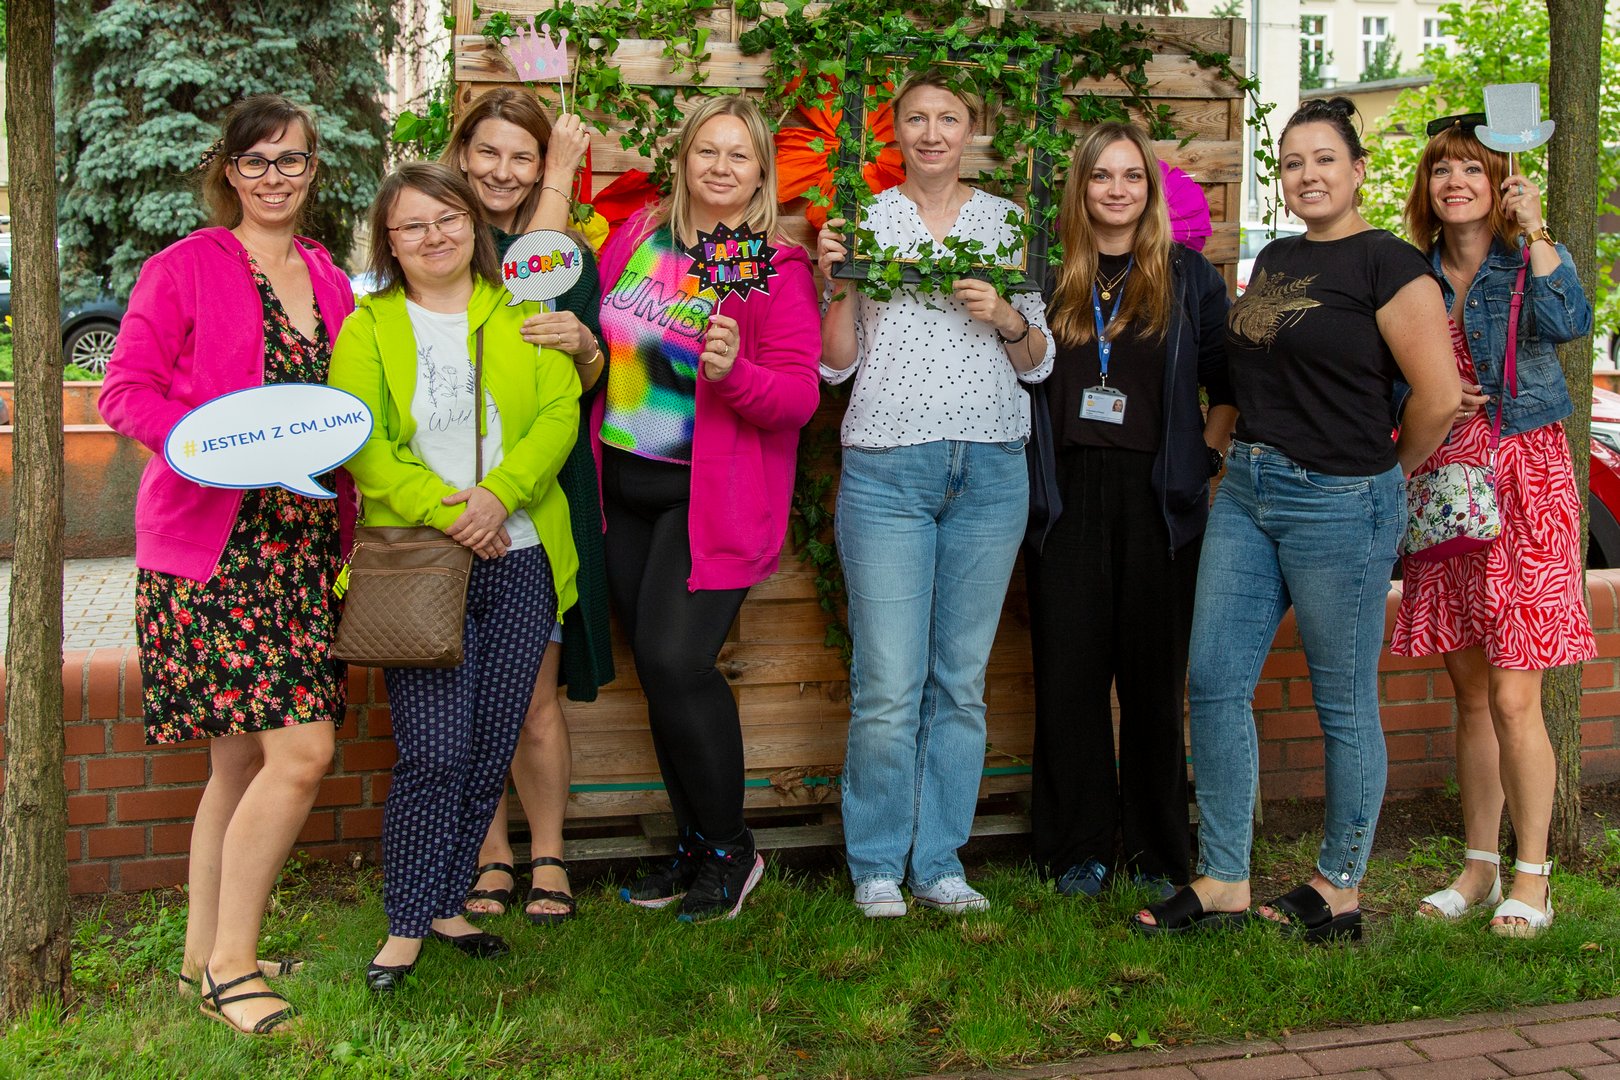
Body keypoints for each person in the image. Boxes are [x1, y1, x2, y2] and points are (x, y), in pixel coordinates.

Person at [1132, 97, 1459, 939]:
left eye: (1324, 159)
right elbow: (1252, 374)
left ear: (1359, 171)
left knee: (1341, 704)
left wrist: (1384, 475)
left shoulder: (1390, 265)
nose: (1307, 176)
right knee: (1214, 680)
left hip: (1340, 502)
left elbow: (1438, 396)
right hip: (1249, 491)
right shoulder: (1277, 257)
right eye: (1291, 163)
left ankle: (1339, 887)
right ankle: (1224, 880)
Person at [99, 94, 355, 1035]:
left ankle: (197, 957)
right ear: (229, 170)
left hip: (302, 551)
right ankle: (232, 971)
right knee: (304, 751)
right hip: (211, 552)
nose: (275, 177)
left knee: (242, 763)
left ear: (313, 168)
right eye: (256, 161)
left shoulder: (330, 277)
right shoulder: (183, 268)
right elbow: (124, 392)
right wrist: (212, 446)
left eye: (292, 160)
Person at [328, 162, 580, 990]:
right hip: (420, 566)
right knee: (434, 752)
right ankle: (406, 923)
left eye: (447, 219)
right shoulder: (368, 328)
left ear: (473, 225)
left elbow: (559, 413)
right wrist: (452, 513)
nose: (433, 237)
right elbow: (362, 443)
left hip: (522, 557)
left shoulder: (522, 309)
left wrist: (500, 495)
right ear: (389, 242)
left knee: (489, 746)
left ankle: (444, 905)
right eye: (413, 225)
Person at [817, 70, 1055, 917]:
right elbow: (836, 365)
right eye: (915, 118)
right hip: (888, 468)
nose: (930, 132)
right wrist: (839, 282)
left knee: (960, 681)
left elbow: (1039, 363)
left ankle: (941, 862)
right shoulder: (864, 223)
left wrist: (1006, 316)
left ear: (969, 130)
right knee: (888, 683)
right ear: (894, 130)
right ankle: (878, 864)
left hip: (990, 469)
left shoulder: (1007, 223)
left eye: (947, 118)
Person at [596, 97, 821, 922]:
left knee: (676, 662)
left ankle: (733, 849)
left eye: (739, 155)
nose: (721, 167)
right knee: (657, 674)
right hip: (623, 484)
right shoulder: (638, 238)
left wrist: (733, 373)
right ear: (684, 159)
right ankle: (693, 844)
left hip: (705, 496)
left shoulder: (770, 266)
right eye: (707, 151)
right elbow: (599, 339)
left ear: (761, 173)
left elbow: (797, 398)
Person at [1391, 113, 1595, 937]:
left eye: (1472, 168)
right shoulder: (1411, 274)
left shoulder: (1526, 260)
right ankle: (1479, 870)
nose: (1455, 182)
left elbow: (1571, 321)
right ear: (1427, 188)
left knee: (1515, 695)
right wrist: (1430, 399)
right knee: (1471, 693)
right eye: (1442, 170)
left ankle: (1533, 877)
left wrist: (1536, 228)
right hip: (1447, 481)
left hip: (1526, 481)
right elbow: (1383, 376)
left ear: (1497, 181)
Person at [1026, 122, 1235, 900]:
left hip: (1160, 497)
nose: (1116, 191)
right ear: (1080, 187)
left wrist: (1204, 460)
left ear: (1150, 190)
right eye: (1101, 176)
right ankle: (1077, 848)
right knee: (1069, 677)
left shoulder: (1189, 276)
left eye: (1131, 177)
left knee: (1153, 681)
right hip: (1064, 496)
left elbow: (1227, 386)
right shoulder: (1047, 275)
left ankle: (1156, 849)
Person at [442, 87, 612, 928]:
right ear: (461, 153)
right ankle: (489, 854)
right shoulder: (438, 237)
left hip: (538, 494)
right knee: (466, 691)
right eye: (489, 152)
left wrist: (586, 348)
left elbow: (585, 379)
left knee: (533, 695)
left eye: (525, 157)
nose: (503, 171)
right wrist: (558, 179)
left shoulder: (565, 253)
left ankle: (549, 854)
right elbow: (497, 296)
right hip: (453, 496)